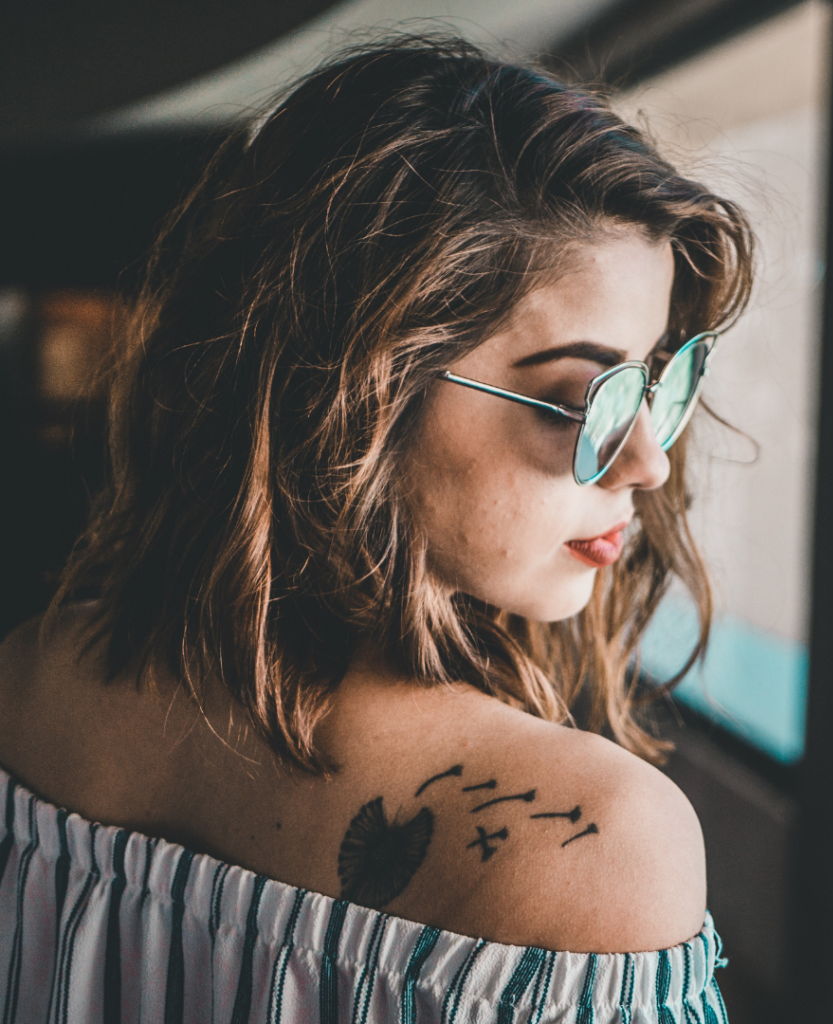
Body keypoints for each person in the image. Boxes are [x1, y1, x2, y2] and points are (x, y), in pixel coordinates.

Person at [0, 37, 752, 1022]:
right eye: (584, 394)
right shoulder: (601, 844)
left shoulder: (34, 674)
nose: (647, 460)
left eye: (657, 381)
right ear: (354, 392)